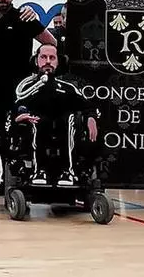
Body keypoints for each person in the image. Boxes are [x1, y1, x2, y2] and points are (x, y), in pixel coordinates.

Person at [0, 0, 56, 196]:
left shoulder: (24, 17)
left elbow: (51, 43)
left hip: (20, 90)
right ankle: (7, 181)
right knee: (2, 135)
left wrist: (39, 66)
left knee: (23, 133)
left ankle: (33, 178)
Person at [11, 44, 99, 186]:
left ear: (58, 62)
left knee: (70, 119)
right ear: (36, 60)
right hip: (36, 128)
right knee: (36, 120)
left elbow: (88, 106)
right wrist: (20, 116)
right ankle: (38, 170)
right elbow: (17, 107)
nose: (48, 61)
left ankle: (68, 171)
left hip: (65, 129)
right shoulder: (26, 88)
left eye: (52, 58)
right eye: (43, 57)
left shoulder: (68, 88)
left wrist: (91, 117)